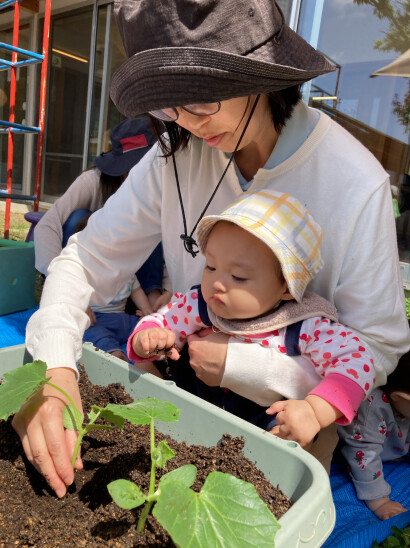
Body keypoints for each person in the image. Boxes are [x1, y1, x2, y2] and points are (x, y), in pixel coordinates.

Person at [16, 0, 409, 498]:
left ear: (260, 74)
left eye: (200, 100)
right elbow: (86, 261)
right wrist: (54, 368)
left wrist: (248, 368)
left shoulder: (352, 181)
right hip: (185, 398)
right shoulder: (174, 154)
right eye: (168, 106)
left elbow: (375, 346)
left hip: (283, 432)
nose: (188, 123)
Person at [129, 189, 376, 451]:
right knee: (143, 370)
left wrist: (315, 411)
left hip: (256, 433)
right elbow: (162, 320)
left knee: (290, 436)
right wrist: (149, 337)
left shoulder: (302, 325)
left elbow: (358, 362)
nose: (217, 283)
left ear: (286, 288)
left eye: (239, 277)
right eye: (211, 266)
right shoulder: (198, 304)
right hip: (190, 409)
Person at [34, 118, 170, 312]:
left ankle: (152, 302)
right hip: (86, 277)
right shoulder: (93, 181)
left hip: (131, 284)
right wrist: (59, 279)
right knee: (78, 218)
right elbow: (47, 226)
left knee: (150, 225)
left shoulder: (158, 189)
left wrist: (168, 290)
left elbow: (169, 242)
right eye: (136, 166)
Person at [74, 213, 167, 362]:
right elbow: (73, 290)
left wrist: (147, 310)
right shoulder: (85, 269)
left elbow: (136, 290)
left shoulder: (126, 269)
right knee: (89, 332)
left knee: (142, 327)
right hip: (96, 319)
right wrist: (82, 306)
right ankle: (114, 353)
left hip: (123, 319)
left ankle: (155, 347)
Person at [338, 351, 410, 521]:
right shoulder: (372, 408)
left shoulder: (404, 406)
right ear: (399, 397)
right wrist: (380, 502)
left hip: (395, 446)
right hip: (361, 450)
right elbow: (363, 455)